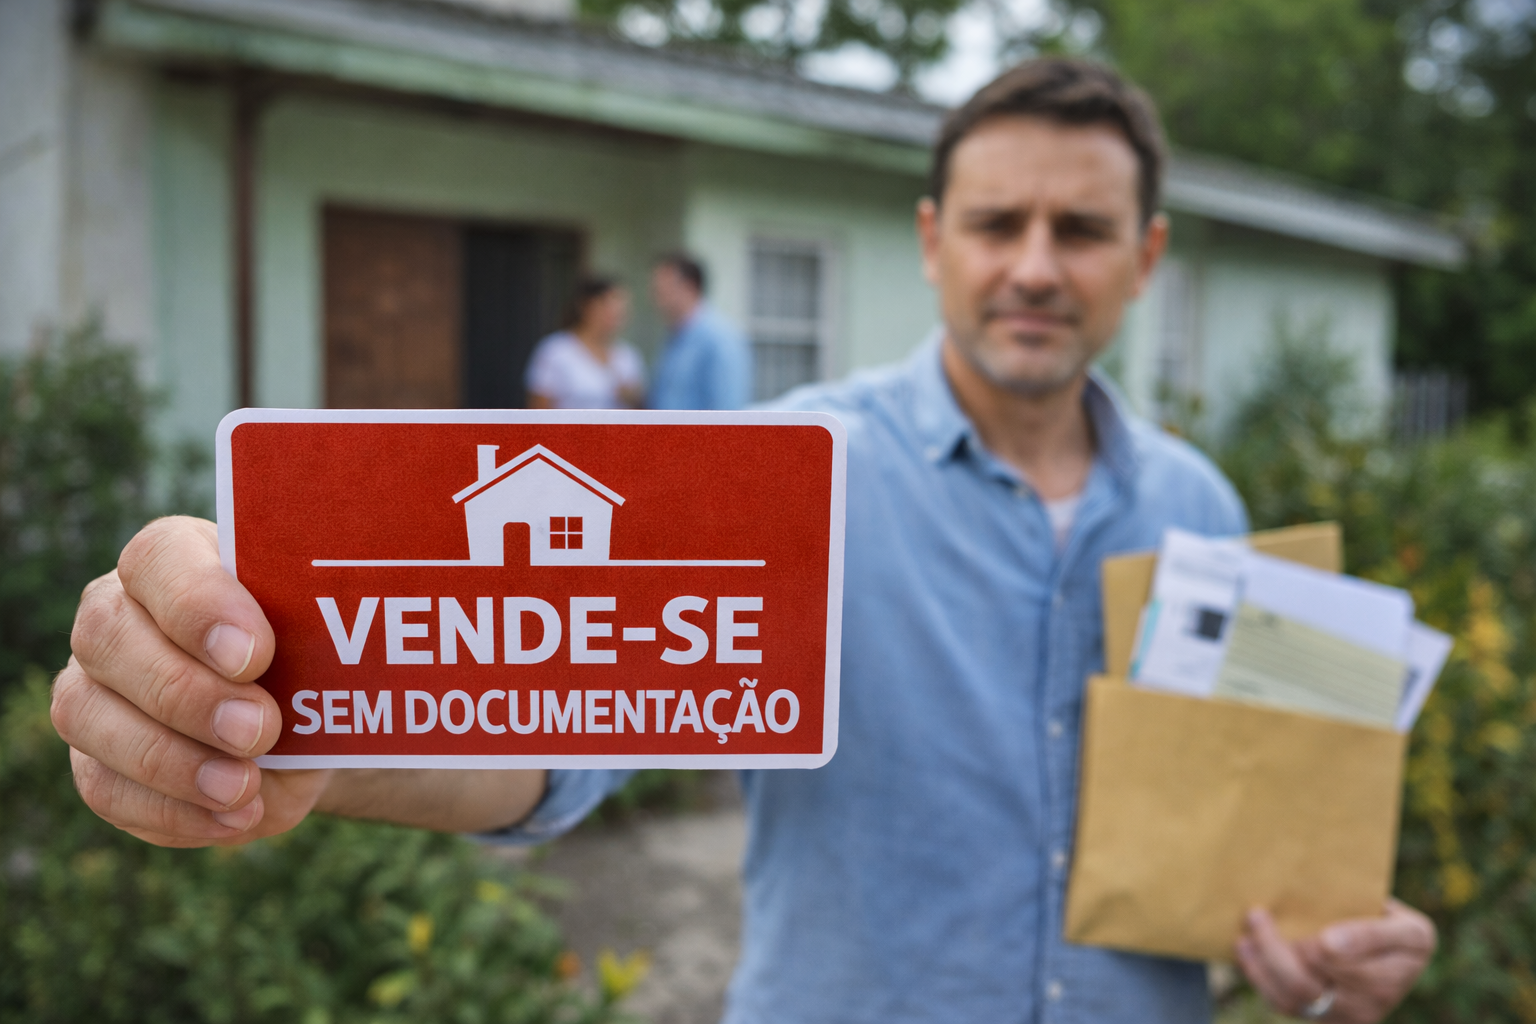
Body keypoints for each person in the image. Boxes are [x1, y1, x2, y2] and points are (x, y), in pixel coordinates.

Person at [52, 58, 1434, 1024]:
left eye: (1081, 229)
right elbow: (559, 734)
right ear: (930, 240)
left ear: (1146, 258)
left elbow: (1247, 873)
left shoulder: (1207, 508)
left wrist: (1320, 962)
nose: (1033, 263)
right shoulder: (785, 479)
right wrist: (321, 732)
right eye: (996, 221)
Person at [648, 253, 752, 410]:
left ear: (690, 287)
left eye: (663, 289)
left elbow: (727, 414)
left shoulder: (721, 339)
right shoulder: (674, 336)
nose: (656, 298)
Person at [524, 275, 645, 409]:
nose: (618, 312)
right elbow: (538, 412)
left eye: (622, 306)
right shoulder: (555, 351)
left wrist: (630, 397)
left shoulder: (627, 355)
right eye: (610, 304)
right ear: (588, 306)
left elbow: (641, 409)